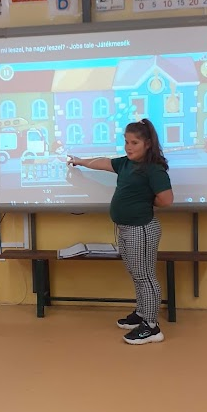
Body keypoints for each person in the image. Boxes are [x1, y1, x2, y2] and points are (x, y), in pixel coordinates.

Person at [68, 118, 173, 345]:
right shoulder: (125, 163)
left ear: (147, 144)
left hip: (141, 229)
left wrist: (144, 201)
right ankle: (142, 314)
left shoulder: (153, 169)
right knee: (137, 274)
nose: (128, 147)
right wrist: (80, 161)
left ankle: (152, 327)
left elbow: (166, 199)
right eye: (126, 142)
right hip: (125, 228)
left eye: (134, 143)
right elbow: (104, 162)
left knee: (145, 277)